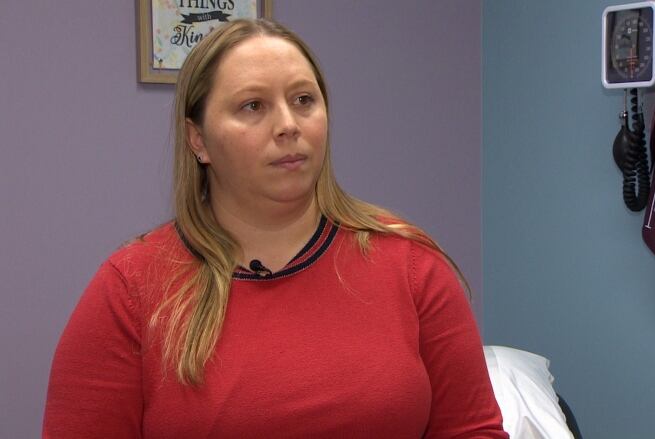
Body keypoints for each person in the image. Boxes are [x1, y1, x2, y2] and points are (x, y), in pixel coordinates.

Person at [43, 18, 507, 438]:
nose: (288, 125)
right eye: (252, 106)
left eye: (304, 100)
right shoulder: (131, 289)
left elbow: (473, 431)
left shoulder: (411, 266)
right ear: (197, 139)